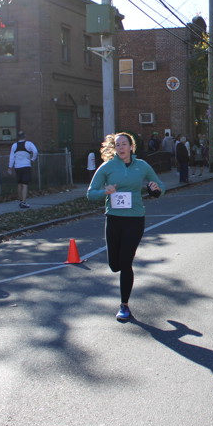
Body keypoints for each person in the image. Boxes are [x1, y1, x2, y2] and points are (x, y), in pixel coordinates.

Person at [87, 132, 165, 321]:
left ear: (131, 147)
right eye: (117, 144)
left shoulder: (142, 166)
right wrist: (105, 191)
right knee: (114, 265)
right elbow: (90, 193)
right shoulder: (107, 167)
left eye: (124, 144)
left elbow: (160, 186)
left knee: (125, 262)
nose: (121, 147)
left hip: (135, 219)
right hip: (114, 219)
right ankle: (120, 280)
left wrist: (156, 189)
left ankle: (124, 305)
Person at [8, 130, 38, 209]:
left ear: (18, 137)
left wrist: (10, 167)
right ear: (25, 136)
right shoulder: (29, 144)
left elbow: (11, 157)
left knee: (19, 184)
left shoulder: (14, 145)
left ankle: (20, 200)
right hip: (26, 166)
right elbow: (35, 152)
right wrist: (32, 159)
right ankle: (23, 202)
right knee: (25, 184)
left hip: (17, 167)